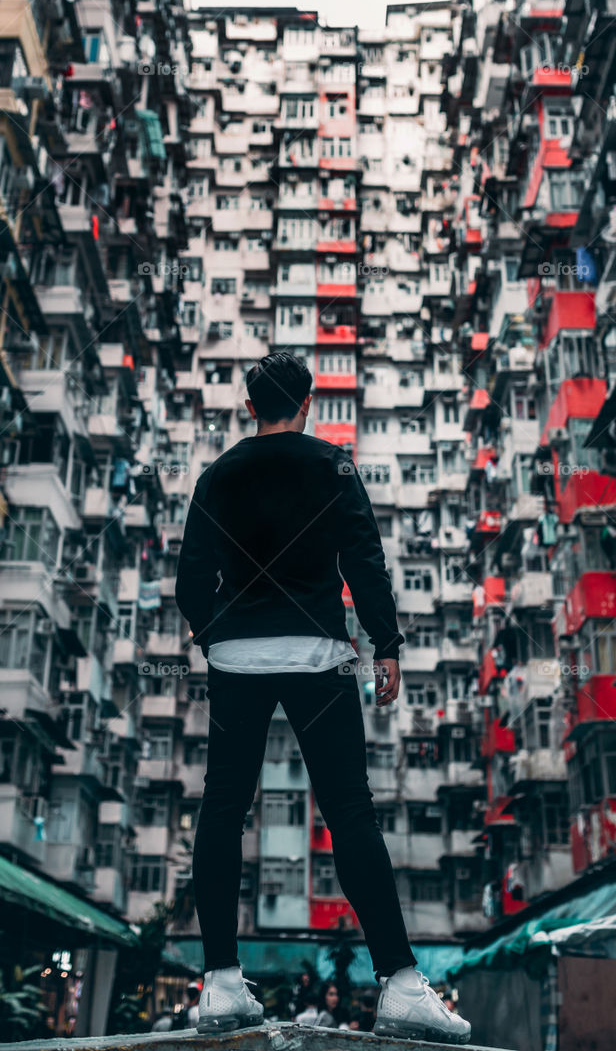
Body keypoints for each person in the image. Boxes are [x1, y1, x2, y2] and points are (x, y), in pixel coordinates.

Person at [176, 352, 471, 1044]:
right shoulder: (331, 465)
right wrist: (386, 642)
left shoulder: (217, 475)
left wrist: (213, 632)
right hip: (319, 656)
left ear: (252, 408)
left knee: (222, 807)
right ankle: (399, 985)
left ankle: (219, 983)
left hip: (235, 657)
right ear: (306, 403)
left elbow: (191, 572)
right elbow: (362, 558)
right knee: (348, 812)